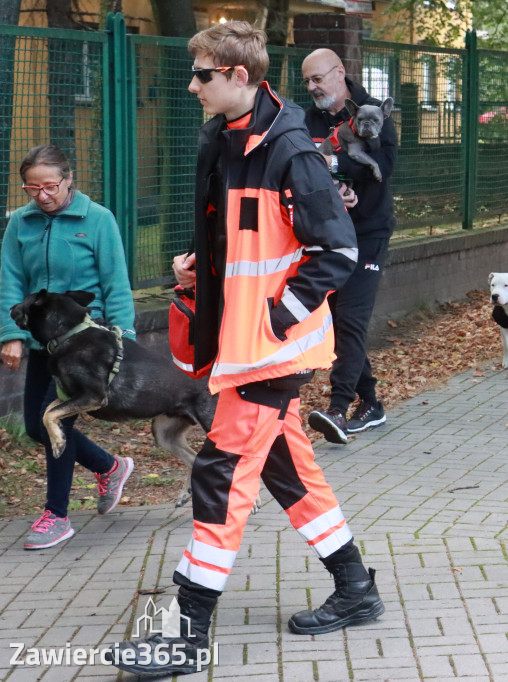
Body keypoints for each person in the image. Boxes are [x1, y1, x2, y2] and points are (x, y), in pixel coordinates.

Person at [109, 22, 382, 677]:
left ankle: (185, 633)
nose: (191, 85)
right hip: (241, 346)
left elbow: (338, 249)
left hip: (270, 351)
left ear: (239, 76)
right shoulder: (221, 138)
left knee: (220, 475)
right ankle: (356, 588)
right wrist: (198, 270)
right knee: (290, 473)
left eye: (202, 74)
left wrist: (275, 315)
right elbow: (240, 240)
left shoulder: (291, 150)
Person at [0, 144, 136, 551]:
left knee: (53, 419)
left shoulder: (97, 219)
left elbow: (116, 281)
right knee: (37, 424)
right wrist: (12, 335)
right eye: (31, 188)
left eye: (50, 186)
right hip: (45, 343)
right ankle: (109, 467)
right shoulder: (19, 224)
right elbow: (11, 281)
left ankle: (56, 516)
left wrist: (125, 337)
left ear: (69, 178)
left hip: (85, 343)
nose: (41, 195)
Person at [302, 48, 397, 443]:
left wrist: (336, 170)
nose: (311, 87)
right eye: (307, 81)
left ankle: (338, 409)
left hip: (368, 234)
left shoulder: (375, 113)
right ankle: (371, 403)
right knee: (338, 321)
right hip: (326, 236)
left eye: (318, 78)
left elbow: (383, 168)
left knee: (350, 321)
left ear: (339, 73)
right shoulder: (305, 119)